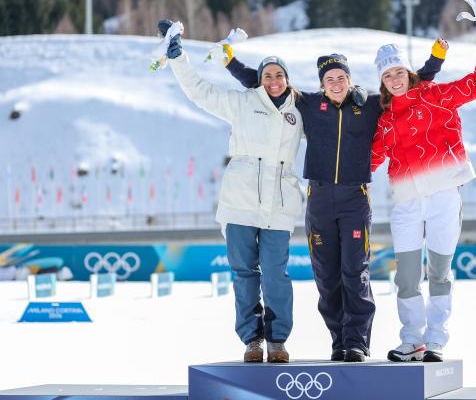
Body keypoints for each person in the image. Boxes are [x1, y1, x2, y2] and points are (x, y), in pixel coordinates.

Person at [223, 39, 447, 362]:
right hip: (319, 198)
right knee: (327, 277)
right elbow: (268, 86)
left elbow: (409, 86)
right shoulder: (309, 105)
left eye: (341, 77)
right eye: (329, 79)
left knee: (355, 273)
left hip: (355, 198)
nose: (336, 83)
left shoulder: (370, 105)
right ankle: (338, 339)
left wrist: (435, 60)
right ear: (322, 84)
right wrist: (232, 63)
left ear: (349, 79)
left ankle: (356, 340)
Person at [159, 20, 304, 363]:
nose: (273, 81)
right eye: (267, 75)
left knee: (276, 275)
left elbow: (335, 119)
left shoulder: (300, 112)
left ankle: (278, 340)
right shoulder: (241, 103)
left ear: (287, 79)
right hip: (239, 201)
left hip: (279, 206)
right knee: (243, 273)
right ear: (259, 79)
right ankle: (252, 340)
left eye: (278, 75)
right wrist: (178, 57)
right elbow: (199, 91)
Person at [371, 12, 476, 363]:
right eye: (387, 74)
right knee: (408, 277)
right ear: (382, 81)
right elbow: (369, 160)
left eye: (398, 71)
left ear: (408, 71)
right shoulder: (384, 121)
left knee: (440, 272)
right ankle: (411, 338)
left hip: (444, 194)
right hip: (406, 204)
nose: (395, 79)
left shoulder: (436, 96)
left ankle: (435, 339)